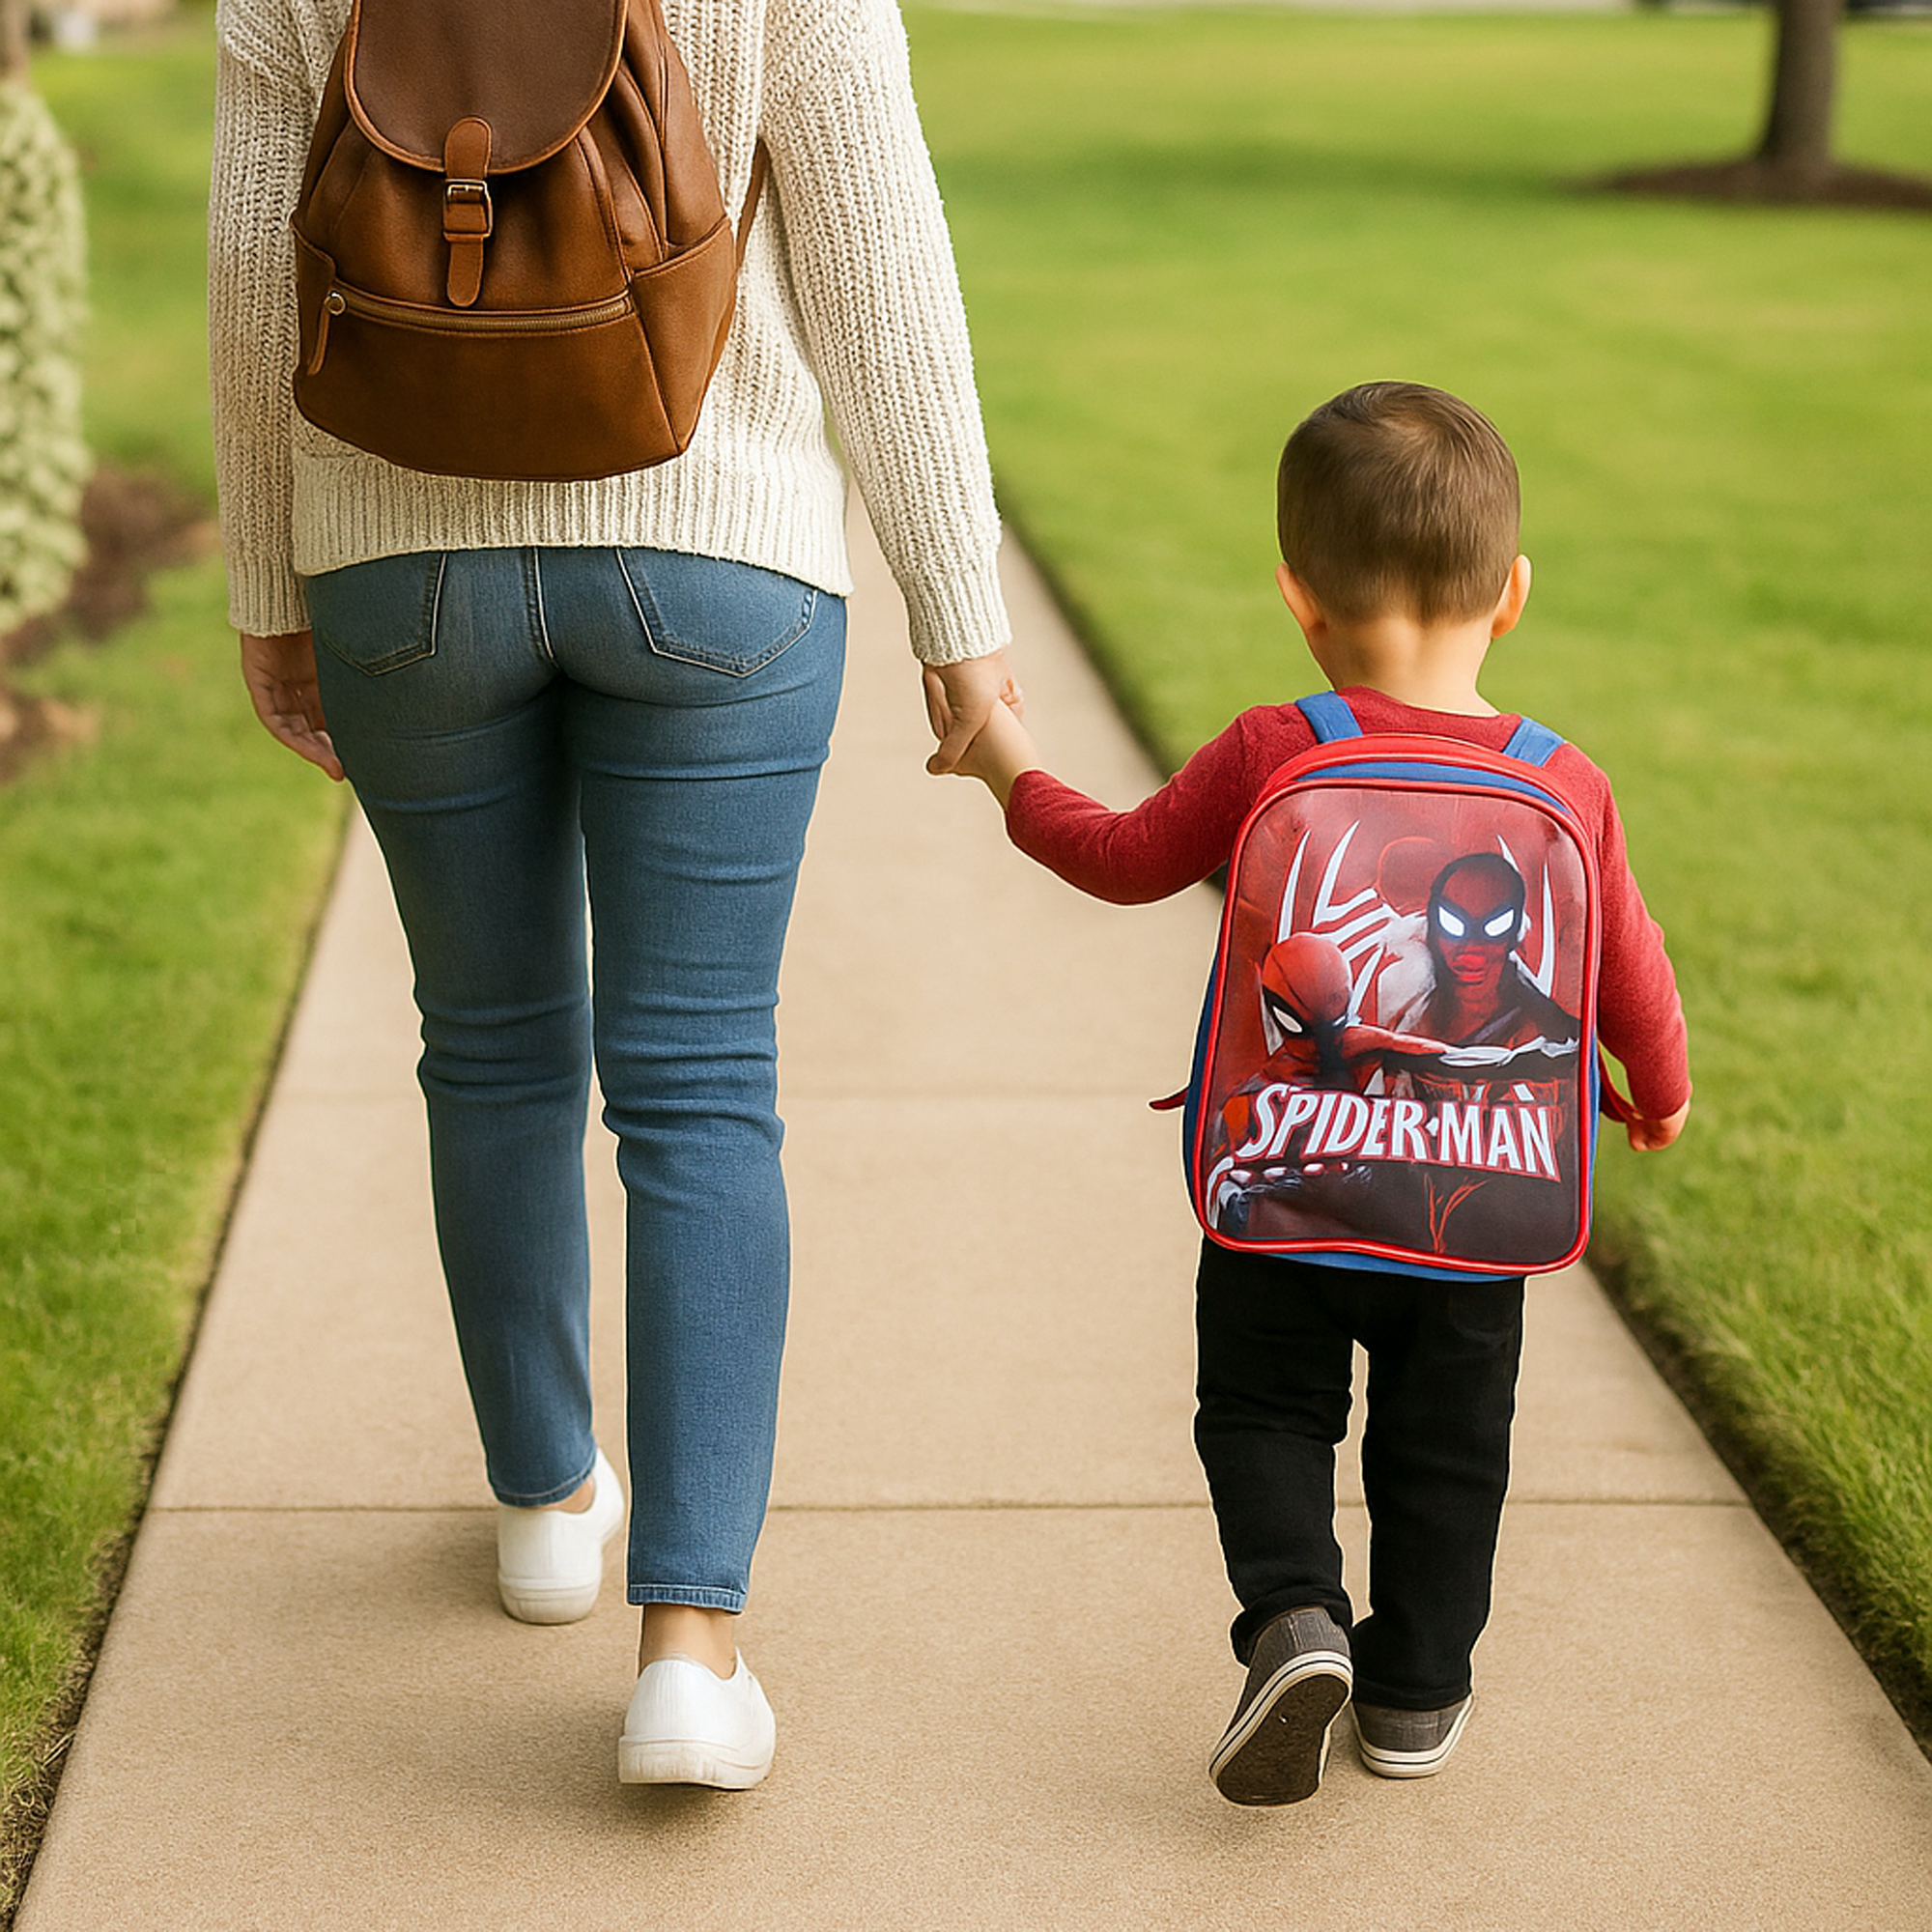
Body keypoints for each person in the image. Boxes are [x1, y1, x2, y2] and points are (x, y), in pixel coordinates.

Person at [209, 0, 1017, 1792]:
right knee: (702, 1085)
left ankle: (543, 1507)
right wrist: (960, 618)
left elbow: (254, 264)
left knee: (490, 1045)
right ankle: (690, 1658)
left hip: (400, 560)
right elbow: (878, 247)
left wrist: (274, 586)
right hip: (717, 543)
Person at [946, 382, 1690, 1805]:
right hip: (1473, 1207)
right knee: (1448, 1451)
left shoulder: (1275, 749)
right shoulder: (1566, 784)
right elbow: (1629, 969)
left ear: (1298, 598)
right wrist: (1657, 1087)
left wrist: (1003, 760)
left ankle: (1294, 1614)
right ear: (1513, 594)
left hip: (1287, 1179)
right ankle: (1414, 1695)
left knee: (1262, 1411)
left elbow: (1117, 858)